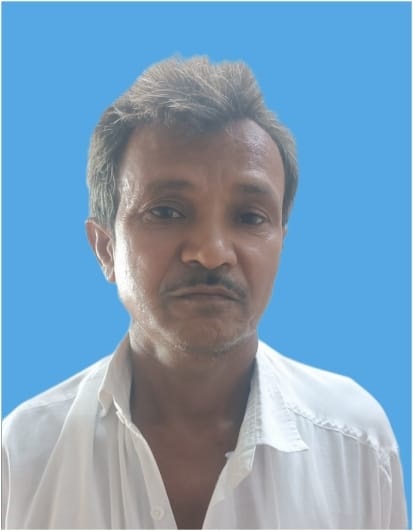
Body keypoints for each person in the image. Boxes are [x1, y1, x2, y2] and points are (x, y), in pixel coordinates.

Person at [2, 56, 407, 530]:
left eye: (250, 217)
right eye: (167, 211)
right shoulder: (23, 456)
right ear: (105, 248)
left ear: (280, 242)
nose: (212, 253)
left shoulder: (356, 444)